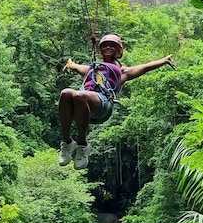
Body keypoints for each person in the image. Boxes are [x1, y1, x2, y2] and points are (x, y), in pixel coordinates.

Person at [59, 33, 176, 169]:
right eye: (105, 45)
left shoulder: (122, 72)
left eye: (113, 45)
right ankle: (67, 142)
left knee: (79, 96)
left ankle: (82, 145)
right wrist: (70, 64)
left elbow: (146, 67)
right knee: (66, 93)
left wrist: (163, 60)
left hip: (103, 103)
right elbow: (74, 66)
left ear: (119, 51)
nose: (108, 47)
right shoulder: (91, 68)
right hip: (84, 104)